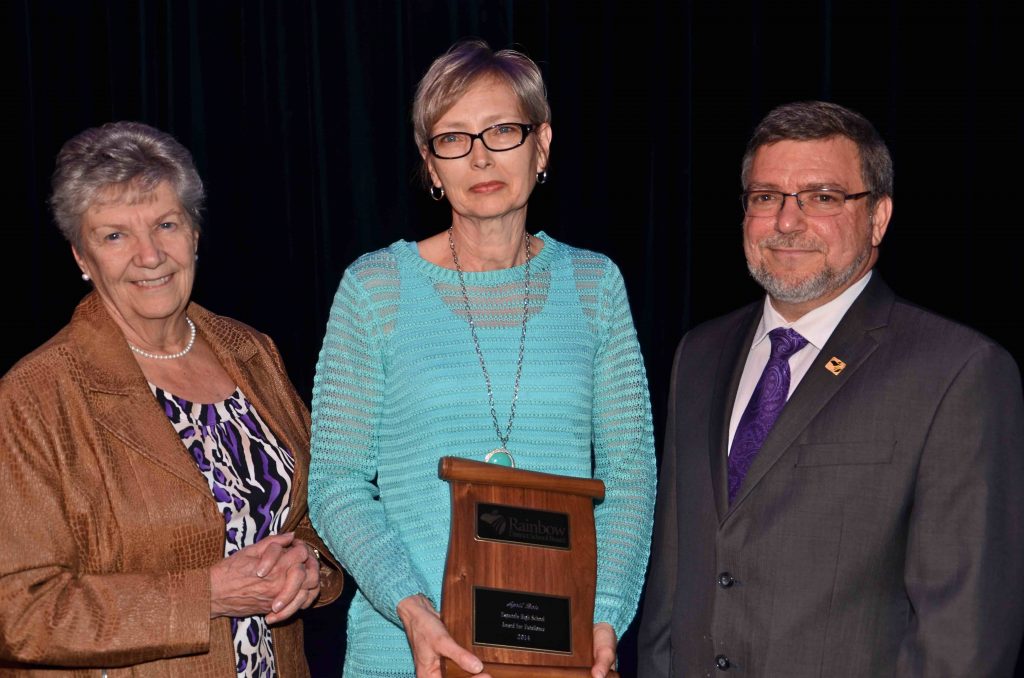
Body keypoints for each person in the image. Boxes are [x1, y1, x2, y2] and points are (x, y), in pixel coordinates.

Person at [637, 100, 1024, 676]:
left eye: (822, 198)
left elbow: (962, 637)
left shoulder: (958, 371)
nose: (787, 222)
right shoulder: (698, 354)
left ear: (879, 217)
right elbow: (673, 585)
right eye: (767, 197)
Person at [309, 40, 655, 678]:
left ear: (541, 145)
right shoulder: (374, 288)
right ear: (430, 166)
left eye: (502, 130)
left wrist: (601, 615)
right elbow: (336, 484)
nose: (480, 156)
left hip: (559, 653)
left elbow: (630, 475)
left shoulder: (595, 285)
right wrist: (413, 610)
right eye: (454, 138)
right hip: (406, 652)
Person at [0, 121, 343, 677]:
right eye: (115, 236)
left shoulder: (252, 352)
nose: (150, 255)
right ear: (81, 258)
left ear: (195, 233)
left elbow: (312, 517)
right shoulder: (36, 396)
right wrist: (203, 595)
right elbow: (18, 611)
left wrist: (311, 567)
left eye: (166, 224)